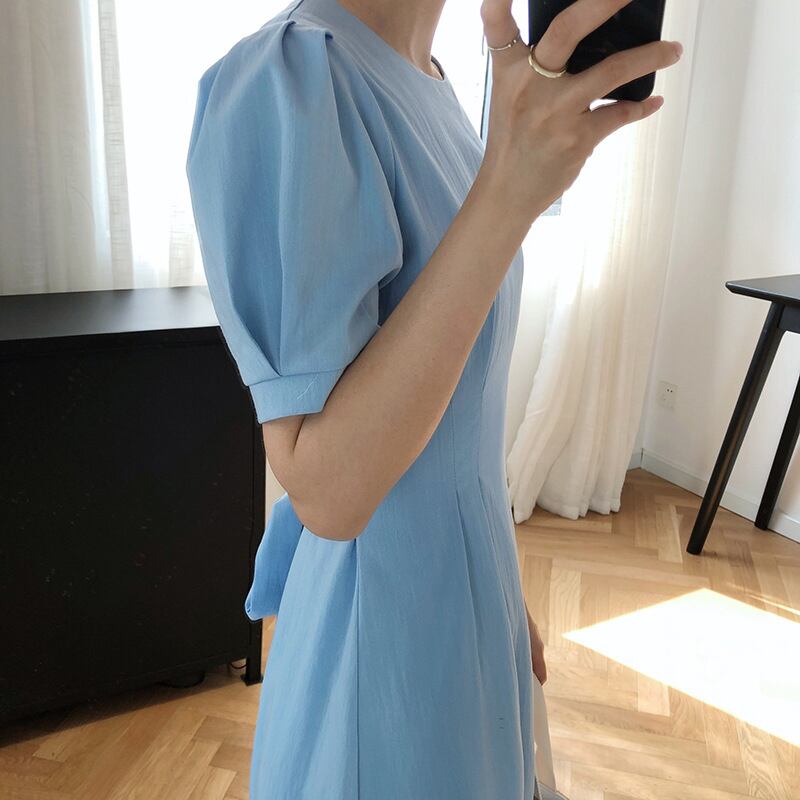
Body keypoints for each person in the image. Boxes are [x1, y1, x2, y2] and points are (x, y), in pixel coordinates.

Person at [185, 0, 682, 796]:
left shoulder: (432, 80)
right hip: (383, 654)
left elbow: (457, 414)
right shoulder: (291, 81)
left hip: (463, 609)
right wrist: (509, 191)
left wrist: (499, 590)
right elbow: (328, 489)